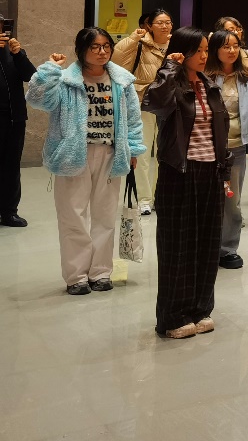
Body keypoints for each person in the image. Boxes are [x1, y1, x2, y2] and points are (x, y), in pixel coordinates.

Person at [27, 28, 144, 293]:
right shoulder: (66, 80)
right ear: (81, 50)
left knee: (105, 215)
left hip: (110, 154)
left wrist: (134, 150)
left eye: (106, 46)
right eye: (95, 47)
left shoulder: (121, 80)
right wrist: (50, 70)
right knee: (73, 216)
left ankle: (101, 272)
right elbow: (37, 100)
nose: (102, 52)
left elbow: (133, 119)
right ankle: (76, 276)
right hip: (74, 154)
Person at [144, 27, 230, 339]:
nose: (204, 56)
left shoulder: (210, 85)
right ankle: (172, 316)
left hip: (211, 172)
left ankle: (200, 308)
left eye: (206, 50)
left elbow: (221, 131)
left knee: (207, 244)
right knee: (177, 246)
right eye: (197, 51)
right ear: (182, 52)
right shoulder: (170, 84)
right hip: (178, 172)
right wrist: (169, 67)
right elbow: (153, 102)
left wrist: (225, 172)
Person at [206, 29, 248, 269]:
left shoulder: (247, 78)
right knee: (208, 198)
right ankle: (206, 248)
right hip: (208, 147)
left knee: (232, 202)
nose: (232, 51)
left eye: (235, 46)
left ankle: (228, 249)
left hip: (236, 148)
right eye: (226, 46)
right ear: (215, 50)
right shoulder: (205, 76)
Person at [111, 8, 172, 214]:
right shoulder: (140, 44)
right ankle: (145, 199)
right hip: (144, 100)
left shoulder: (177, 44)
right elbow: (117, 58)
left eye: (168, 22)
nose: (165, 26)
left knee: (166, 152)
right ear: (149, 26)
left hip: (170, 103)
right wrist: (132, 38)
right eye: (160, 22)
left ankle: (161, 196)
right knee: (143, 151)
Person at [0, 22, 36, 226]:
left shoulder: (12, 52)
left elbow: (31, 76)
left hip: (15, 118)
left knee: (12, 166)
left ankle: (9, 212)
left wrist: (19, 55)